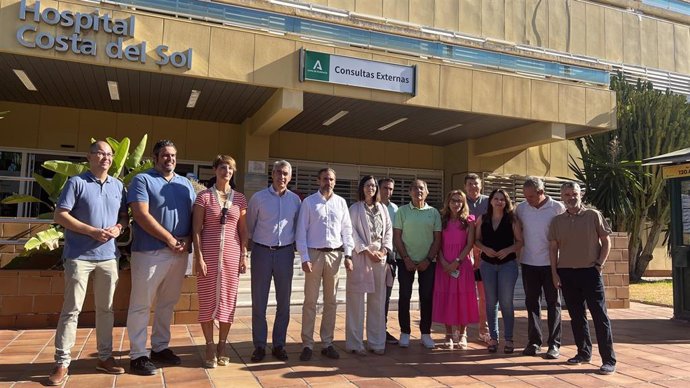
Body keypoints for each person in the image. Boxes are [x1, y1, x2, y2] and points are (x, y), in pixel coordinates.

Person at [47, 141, 128, 386]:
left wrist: (118, 227)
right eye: (100, 153)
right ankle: (62, 363)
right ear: (89, 157)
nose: (105, 157)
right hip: (79, 257)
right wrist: (91, 231)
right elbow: (60, 215)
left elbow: (124, 215)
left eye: (109, 154)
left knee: (106, 310)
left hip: (108, 257)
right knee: (72, 310)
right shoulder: (77, 182)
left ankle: (104, 357)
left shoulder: (118, 185)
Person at [126, 139, 196, 375]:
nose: (170, 159)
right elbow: (141, 214)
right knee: (141, 304)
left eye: (174, 156)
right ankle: (137, 354)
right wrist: (168, 238)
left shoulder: (185, 183)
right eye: (165, 155)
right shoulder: (142, 180)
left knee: (167, 303)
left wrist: (188, 240)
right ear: (155, 158)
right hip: (150, 252)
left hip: (179, 253)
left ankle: (160, 347)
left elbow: (194, 217)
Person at [549, 181, 616, 375]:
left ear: (581, 195)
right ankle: (583, 353)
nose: (571, 197)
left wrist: (599, 265)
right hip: (567, 273)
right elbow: (553, 249)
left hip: (590, 272)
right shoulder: (557, 221)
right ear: (562, 197)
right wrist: (554, 273)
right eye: (567, 194)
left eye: (574, 193)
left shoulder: (593, 215)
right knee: (577, 317)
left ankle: (608, 360)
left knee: (600, 317)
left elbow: (606, 241)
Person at [192, 155, 248, 368]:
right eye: (223, 167)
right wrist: (199, 258)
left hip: (232, 257)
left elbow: (243, 230)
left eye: (231, 168)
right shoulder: (204, 197)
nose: (227, 171)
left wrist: (244, 255)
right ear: (215, 170)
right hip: (208, 254)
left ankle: (222, 345)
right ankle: (209, 345)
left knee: (228, 300)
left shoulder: (240, 198)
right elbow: (196, 229)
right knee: (207, 300)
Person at [296, 168, 354, 361]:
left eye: (331, 179)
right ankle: (307, 344)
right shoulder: (309, 202)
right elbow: (301, 231)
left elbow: (347, 231)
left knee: (331, 302)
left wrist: (348, 255)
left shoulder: (341, 203)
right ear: (318, 180)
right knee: (310, 301)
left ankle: (327, 343)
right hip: (314, 255)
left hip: (335, 256)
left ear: (335, 182)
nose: (328, 182)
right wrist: (304, 257)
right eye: (325, 179)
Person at [246, 160, 301, 362]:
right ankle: (259, 345)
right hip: (261, 252)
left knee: (283, 303)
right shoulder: (258, 198)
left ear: (290, 176)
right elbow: (250, 226)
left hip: (285, 253)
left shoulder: (296, 201)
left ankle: (279, 344)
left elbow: (297, 227)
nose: (281, 176)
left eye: (285, 173)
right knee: (259, 302)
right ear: (272, 174)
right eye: (278, 172)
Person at [516, 177, 565, 359]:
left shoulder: (557, 207)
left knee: (554, 304)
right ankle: (534, 342)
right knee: (532, 304)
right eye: (525, 196)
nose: (527, 199)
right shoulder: (521, 209)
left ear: (541, 192)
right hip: (529, 263)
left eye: (530, 196)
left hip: (551, 265)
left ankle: (554, 344)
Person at [346, 176, 393, 356]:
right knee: (356, 301)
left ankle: (376, 342)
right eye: (367, 185)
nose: (371, 188)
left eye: (373, 185)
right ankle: (355, 344)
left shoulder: (383, 208)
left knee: (378, 301)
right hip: (361, 256)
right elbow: (352, 232)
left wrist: (383, 251)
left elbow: (388, 230)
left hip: (379, 258)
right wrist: (366, 251)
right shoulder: (355, 208)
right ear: (362, 188)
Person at [393, 179, 441, 349]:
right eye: (414, 188)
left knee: (426, 297)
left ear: (427, 192)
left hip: (428, 262)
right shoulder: (402, 211)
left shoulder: (434, 212)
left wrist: (428, 259)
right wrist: (405, 257)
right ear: (409, 192)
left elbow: (437, 239)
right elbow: (397, 236)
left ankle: (425, 333)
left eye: (421, 188)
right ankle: (405, 332)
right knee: (405, 296)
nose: (418, 191)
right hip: (405, 261)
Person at [475, 189, 523, 354]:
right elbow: (476, 240)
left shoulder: (512, 219)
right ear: (491, 201)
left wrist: (508, 250)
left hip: (507, 265)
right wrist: (485, 249)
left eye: (502, 199)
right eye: (496, 198)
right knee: (490, 302)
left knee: (506, 302)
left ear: (506, 201)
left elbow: (520, 242)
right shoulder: (483, 218)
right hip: (487, 265)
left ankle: (508, 339)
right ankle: (493, 338)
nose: (499, 202)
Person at [432, 190, 478, 350]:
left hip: (462, 265)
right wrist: (443, 261)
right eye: (453, 200)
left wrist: (457, 262)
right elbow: (437, 242)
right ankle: (449, 334)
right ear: (448, 202)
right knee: (447, 298)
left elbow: (470, 243)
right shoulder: (441, 220)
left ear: (464, 203)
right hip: (443, 265)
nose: (456, 204)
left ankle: (463, 333)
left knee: (462, 299)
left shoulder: (469, 221)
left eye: (459, 201)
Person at [464, 173, 491, 344]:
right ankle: (462, 331)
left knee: (485, 295)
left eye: (476, 184)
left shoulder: (489, 202)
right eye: (470, 184)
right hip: (464, 253)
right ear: (465, 186)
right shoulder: (460, 201)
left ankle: (484, 330)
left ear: (481, 185)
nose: (473, 187)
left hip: (484, 254)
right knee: (464, 293)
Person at [378, 177, 399, 345]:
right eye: (385, 188)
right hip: (371, 258)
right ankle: (372, 330)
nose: (388, 192)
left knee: (386, 295)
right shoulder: (369, 206)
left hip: (390, 259)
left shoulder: (395, 209)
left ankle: (382, 330)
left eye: (391, 189)